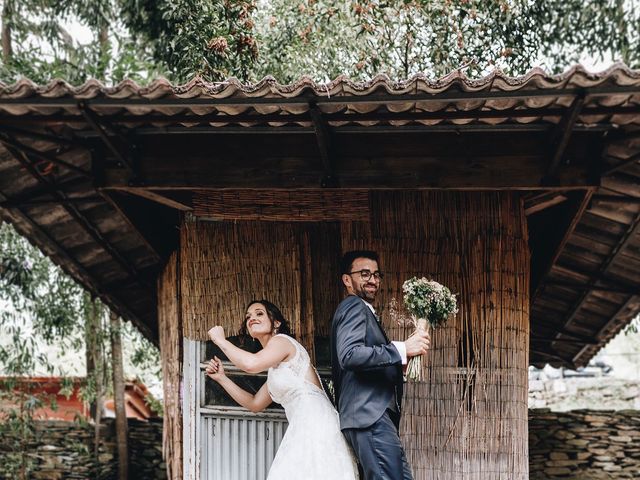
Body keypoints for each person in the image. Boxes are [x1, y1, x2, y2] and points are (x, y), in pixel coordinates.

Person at [206, 300, 359, 480]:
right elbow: (255, 404)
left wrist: (220, 340)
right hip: (303, 426)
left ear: (276, 322)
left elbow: (251, 364)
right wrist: (222, 379)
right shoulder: (275, 371)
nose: (251, 318)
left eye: (259, 313)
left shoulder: (283, 342)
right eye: (248, 316)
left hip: (316, 423)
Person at [331, 251, 431, 480]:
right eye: (364, 274)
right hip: (369, 415)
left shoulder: (364, 311)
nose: (372, 280)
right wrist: (402, 348)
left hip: (373, 417)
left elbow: (364, 359)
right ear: (347, 279)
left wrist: (399, 365)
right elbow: (350, 355)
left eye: (376, 275)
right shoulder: (354, 306)